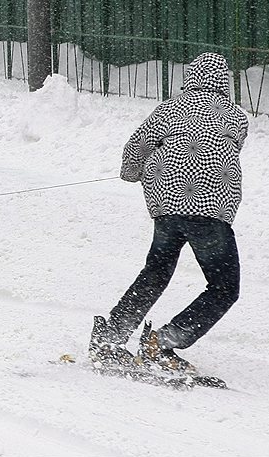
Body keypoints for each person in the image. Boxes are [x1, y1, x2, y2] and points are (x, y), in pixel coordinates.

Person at [89, 52, 249, 374]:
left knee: (156, 272)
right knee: (224, 286)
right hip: (209, 210)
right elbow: (225, 148)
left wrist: (132, 173)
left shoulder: (166, 109)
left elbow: (136, 146)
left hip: (167, 207)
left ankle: (110, 337)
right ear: (224, 81)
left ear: (191, 77)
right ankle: (162, 343)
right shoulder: (235, 115)